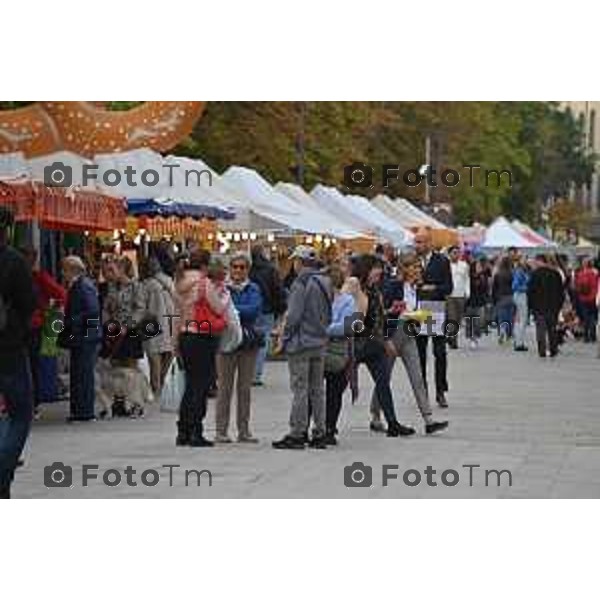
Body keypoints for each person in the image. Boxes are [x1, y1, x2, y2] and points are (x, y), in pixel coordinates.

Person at [378, 254, 449, 435]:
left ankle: (428, 419)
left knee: (417, 377)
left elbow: (411, 310)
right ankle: (375, 415)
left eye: (419, 267)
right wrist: (387, 337)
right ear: (405, 269)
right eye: (415, 267)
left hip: (409, 333)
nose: (419, 270)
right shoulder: (394, 285)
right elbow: (383, 312)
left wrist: (419, 315)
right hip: (394, 333)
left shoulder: (415, 288)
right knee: (384, 377)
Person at [272, 246, 333, 450]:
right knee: (317, 390)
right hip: (320, 341)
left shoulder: (301, 282)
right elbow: (329, 313)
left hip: (301, 342)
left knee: (300, 389)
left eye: (295, 261)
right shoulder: (325, 281)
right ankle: (320, 432)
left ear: (300, 261)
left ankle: (297, 432)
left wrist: (284, 337)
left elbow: (294, 315)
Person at [351, 253, 417, 436]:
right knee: (340, 384)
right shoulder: (355, 286)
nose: (380, 272)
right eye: (376, 268)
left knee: (383, 383)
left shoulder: (375, 291)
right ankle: (328, 425)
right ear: (367, 269)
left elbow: (379, 318)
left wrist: (387, 338)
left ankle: (392, 423)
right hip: (355, 343)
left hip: (374, 343)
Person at [175, 249, 228, 447]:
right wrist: (223, 295)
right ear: (205, 265)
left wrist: (174, 342)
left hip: (185, 335)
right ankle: (196, 430)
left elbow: (176, 314)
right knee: (200, 385)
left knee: (190, 385)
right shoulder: (204, 283)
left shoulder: (179, 282)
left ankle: (183, 430)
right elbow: (218, 308)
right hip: (202, 335)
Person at [0, 206, 36, 499]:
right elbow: (28, 305)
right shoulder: (14, 261)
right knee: (20, 413)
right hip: (9, 348)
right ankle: (3, 470)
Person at [216, 253, 263, 443]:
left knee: (245, 389)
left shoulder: (254, 288)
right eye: (235, 266)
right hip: (225, 342)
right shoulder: (221, 288)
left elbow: (254, 310)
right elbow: (219, 310)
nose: (238, 270)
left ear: (248, 269)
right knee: (224, 389)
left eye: (242, 267)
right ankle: (221, 430)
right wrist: (234, 311)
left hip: (247, 343)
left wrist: (233, 310)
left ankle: (244, 430)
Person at [20, 246, 66, 412]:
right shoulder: (32, 277)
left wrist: (48, 311)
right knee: (30, 363)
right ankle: (31, 400)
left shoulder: (38, 277)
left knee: (32, 363)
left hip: (34, 327)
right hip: (26, 326)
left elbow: (61, 294)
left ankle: (33, 401)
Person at [413, 230, 453, 408]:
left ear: (429, 243)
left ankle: (440, 390)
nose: (417, 246)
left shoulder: (442, 261)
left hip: (435, 309)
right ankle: (422, 392)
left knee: (439, 352)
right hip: (417, 310)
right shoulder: (411, 260)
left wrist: (432, 289)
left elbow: (448, 287)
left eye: (420, 242)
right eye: (416, 242)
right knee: (419, 353)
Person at [59, 255, 101, 422]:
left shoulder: (83, 286)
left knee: (83, 374)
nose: (62, 274)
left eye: (64, 270)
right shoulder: (80, 285)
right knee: (79, 373)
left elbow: (92, 311)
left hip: (85, 336)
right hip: (83, 335)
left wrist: (71, 321)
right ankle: (79, 410)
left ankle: (84, 411)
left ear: (72, 270)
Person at [322, 267, 357, 445]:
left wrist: (323, 329)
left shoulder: (348, 300)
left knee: (334, 390)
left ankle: (328, 427)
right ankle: (323, 427)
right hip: (323, 348)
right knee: (318, 391)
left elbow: (349, 326)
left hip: (336, 351)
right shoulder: (321, 300)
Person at [249, 245, 286, 387]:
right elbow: (278, 289)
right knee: (263, 341)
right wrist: (281, 307)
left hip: (253, 310)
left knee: (252, 340)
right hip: (267, 309)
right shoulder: (271, 270)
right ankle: (256, 374)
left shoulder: (250, 270)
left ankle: (250, 371)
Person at [139, 256, 175, 396]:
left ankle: (156, 386)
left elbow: (142, 307)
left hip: (151, 323)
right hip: (171, 321)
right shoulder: (169, 281)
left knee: (154, 355)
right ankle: (161, 380)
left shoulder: (145, 285)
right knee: (168, 352)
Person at [527, 254, 565, 358]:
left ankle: (542, 351)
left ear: (540, 261)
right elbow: (561, 292)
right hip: (553, 307)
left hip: (538, 307)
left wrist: (531, 307)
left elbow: (530, 292)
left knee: (540, 329)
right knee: (552, 329)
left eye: (535, 261)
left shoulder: (534, 274)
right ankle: (553, 349)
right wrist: (559, 305)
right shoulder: (555, 273)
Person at [446, 246, 470, 349]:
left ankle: (451, 336)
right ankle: (452, 340)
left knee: (459, 319)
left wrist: (467, 292)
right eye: (454, 253)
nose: (456, 255)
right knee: (452, 317)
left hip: (460, 295)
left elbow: (467, 279)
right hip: (450, 295)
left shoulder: (464, 265)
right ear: (449, 254)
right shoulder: (446, 265)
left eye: (457, 253)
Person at [465, 257, 489, 350]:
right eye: (477, 266)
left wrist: (487, 300)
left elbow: (486, 289)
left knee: (479, 321)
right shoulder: (469, 276)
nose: (479, 268)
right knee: (470, 321)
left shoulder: (484, 276)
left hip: (480, 302)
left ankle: (475, 337)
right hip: (469, 301)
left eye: (480, 266)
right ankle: (472, 339)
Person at [574, 257, 599, 343]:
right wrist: (595, 296)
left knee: (585, 318)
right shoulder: (594, 273)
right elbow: (596, 286)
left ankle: (586, 337)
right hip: (592, 298)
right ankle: (593, 336)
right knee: (592, 317)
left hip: (582, 298)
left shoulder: (580, 273)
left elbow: (577, 286)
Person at [492, 256, 514, 344]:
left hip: (500, 297)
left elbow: (494, 288)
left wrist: (494, 299)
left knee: (501, 317)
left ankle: (501, 331)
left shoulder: (497, 274)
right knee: (509, 317)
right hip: (511, 297)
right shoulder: (512, 274)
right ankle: (508, 335)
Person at [512, 255, 530, 351]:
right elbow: (515, 286)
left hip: (520, 295)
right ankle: (519, 342)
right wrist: (527, 288)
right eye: (524, 259)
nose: (526, 260)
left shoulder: (521, 271)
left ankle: (518, 340)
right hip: (521, 295)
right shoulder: (520, 271)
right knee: (523, 319)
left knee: (519, 319)